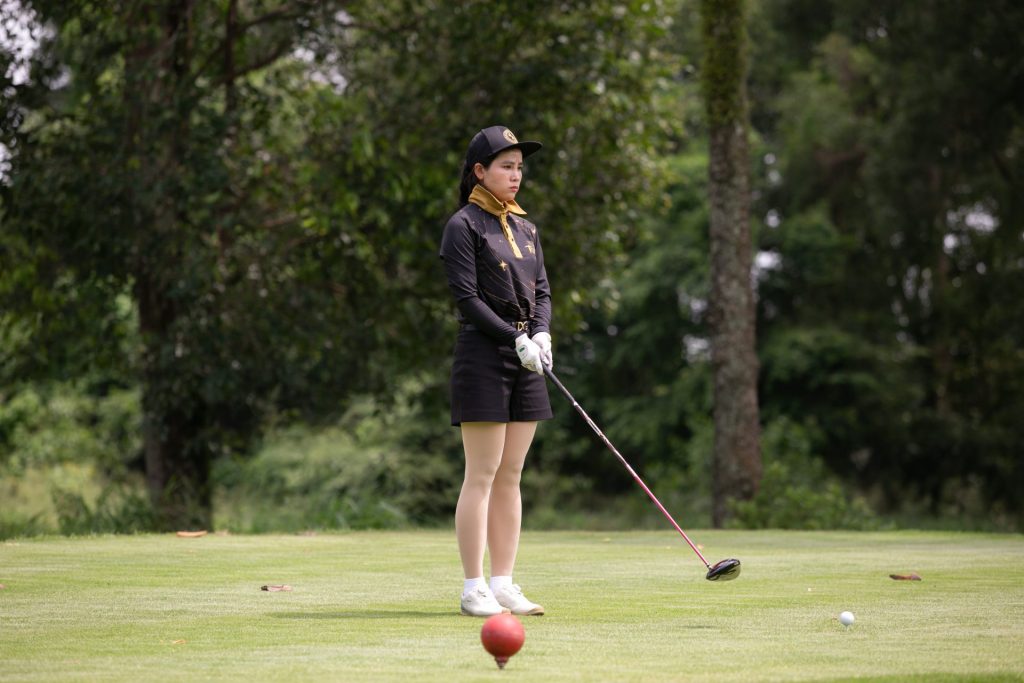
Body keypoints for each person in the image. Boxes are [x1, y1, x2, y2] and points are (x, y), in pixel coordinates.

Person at [439, 125, 554, 617]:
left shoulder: (526, 229)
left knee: (511, 474)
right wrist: (514, 338)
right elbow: (467, 299)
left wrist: (541, 334)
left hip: (527, 356)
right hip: (484, 356)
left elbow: (542, 291)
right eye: (506, 166)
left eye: (519, 167)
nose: (516, 175)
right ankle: (474, 587)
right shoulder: (463, 226)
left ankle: (504, 583)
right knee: (482, 474)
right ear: (479, 171)